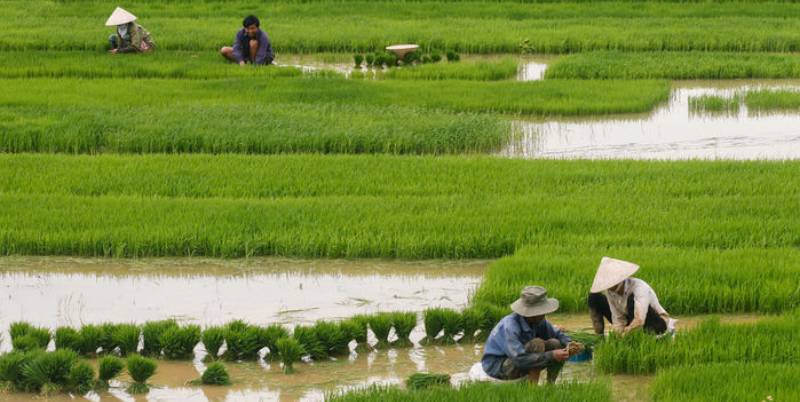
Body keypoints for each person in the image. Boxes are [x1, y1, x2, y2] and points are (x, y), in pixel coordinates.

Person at [481, 286, 582, 384]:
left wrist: (569, 344)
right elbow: (520, 359)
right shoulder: (510, 326)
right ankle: (533, 388)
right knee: (537, 344)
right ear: (532, 313)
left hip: (520, 359)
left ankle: (550, 385)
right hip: (499, 367)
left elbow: (557, 334)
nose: (544, 314)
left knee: (556, 343)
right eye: (541, 311)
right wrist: (552, 355)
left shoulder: (538, 320)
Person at [589, 257, 671, 335]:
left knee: (631, 300)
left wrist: (626, 333)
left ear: (619, 280)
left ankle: (641, 336)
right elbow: (618, 318)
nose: (609, 287)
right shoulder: (610, 291)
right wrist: (618, 334)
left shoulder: (639, 287)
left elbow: (639, 320)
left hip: (655, 323)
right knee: (594, 297)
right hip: (629, 319)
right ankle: (599, 337)